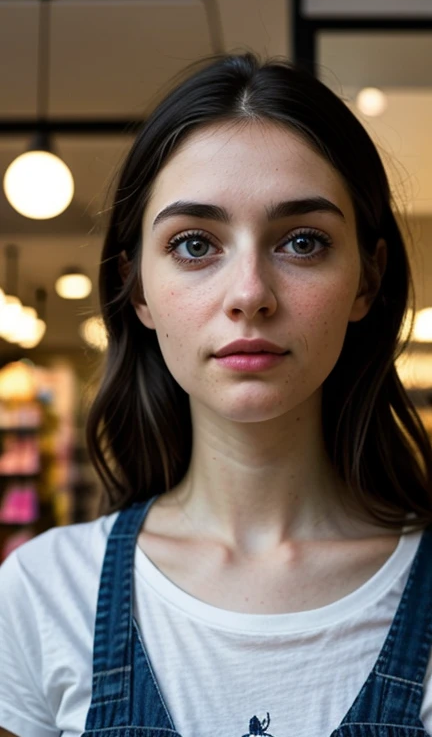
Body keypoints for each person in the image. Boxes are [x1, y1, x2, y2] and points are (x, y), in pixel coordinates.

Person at [1, 50, 432, 737]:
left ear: (367, 281)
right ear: (138, 288)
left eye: (301, 241)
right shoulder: (46, 593)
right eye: (196, 245)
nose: (250, 295)